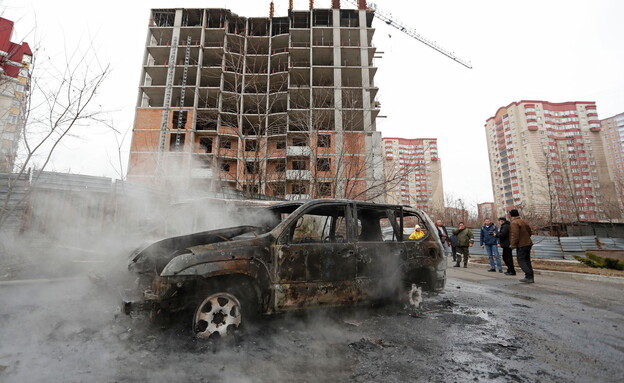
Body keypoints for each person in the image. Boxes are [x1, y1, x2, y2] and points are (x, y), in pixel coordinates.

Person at [509, 209, 534, 283]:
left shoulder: (514, 223)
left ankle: (528, 276)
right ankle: (530, 277)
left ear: (511, 215)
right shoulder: (523, 221)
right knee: (527, 261)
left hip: (521, 244)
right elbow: (529, 232)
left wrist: (513, 245)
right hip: (528, 243)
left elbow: (514, 235)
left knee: (521, 260)